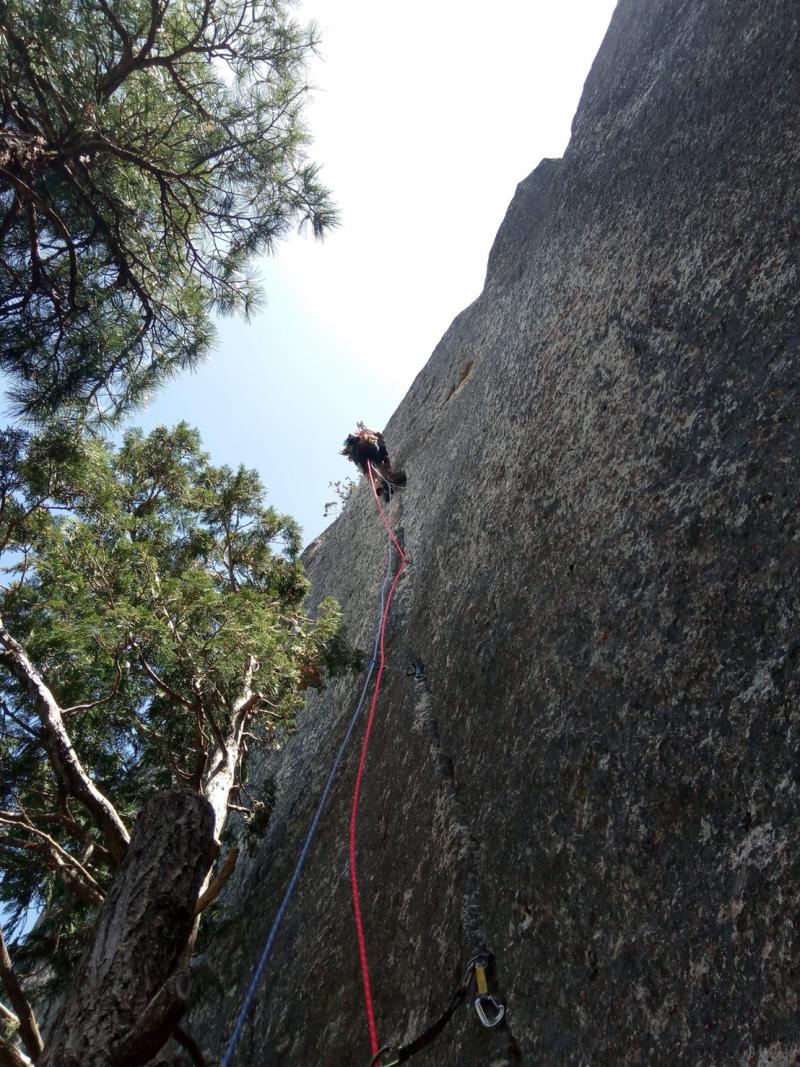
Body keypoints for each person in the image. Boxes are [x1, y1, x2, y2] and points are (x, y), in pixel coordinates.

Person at [341, 422, 405, 500]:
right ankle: (389, 477)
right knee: (381, 461)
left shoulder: (353, 452)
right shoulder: (362, 436)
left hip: (359, 458)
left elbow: (366, 472)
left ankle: (379, 487)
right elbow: (377, 437)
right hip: (370, 451)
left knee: (370, 473)